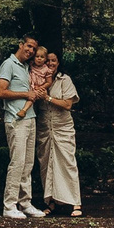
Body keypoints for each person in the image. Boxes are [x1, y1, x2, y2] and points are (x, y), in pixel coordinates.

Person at [0, 37, 48, 220]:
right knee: (17, 163)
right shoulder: (8, 64)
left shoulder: (27, 67)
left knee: (28, 163)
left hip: (30, 117)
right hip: (15, 120)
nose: (31, 51)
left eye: (34, 48)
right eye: (28, 46)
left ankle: (25, 203)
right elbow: (1, 92)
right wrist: (26, 94)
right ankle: (9, 206)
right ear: (20, 45)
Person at [38, 49, 83, 216]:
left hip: (62, 127)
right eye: (47, 60)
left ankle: (75, 203)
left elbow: (68, 104)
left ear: (58, 63)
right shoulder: (38, 79)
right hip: (45, 128)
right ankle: (51, 202)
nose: (50, 64)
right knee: (46, 165)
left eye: (53, 61)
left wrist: (48, 98)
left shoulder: (65, 80)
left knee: (67, 163)